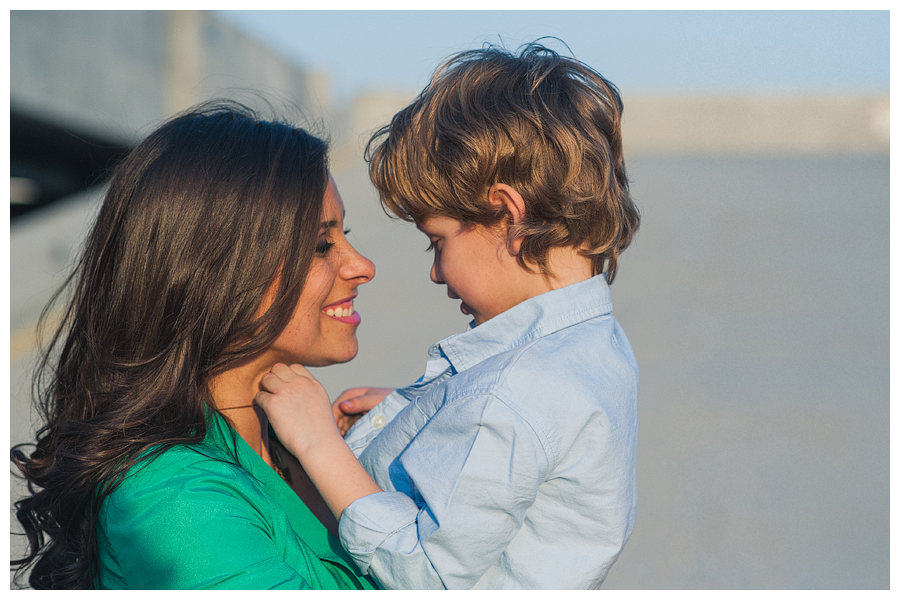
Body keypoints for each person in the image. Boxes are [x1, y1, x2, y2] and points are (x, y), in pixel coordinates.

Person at [256, 42, 641, 589]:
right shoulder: (593, 347)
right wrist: (422, 414)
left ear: (509, 215)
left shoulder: (510, 395)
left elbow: (426, 575)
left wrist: (317, 441)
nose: (436, 273)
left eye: (436, 241)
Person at [10, 102, 378, 590]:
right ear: (218, 269)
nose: (362, 266)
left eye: (344, 235)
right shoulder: (174, 498)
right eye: (320, 245)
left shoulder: (295, 445)